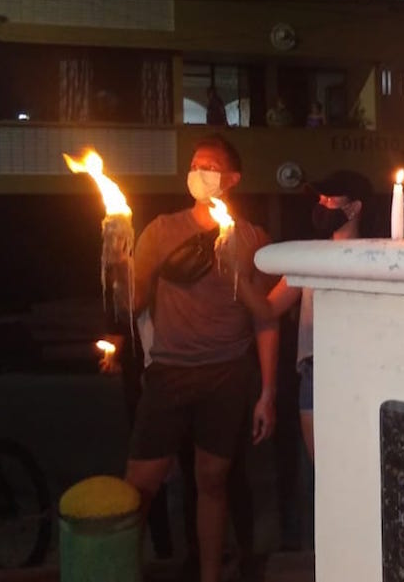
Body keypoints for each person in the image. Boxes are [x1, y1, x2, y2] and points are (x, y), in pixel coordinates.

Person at [121, 135, 278, 582]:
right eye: (194, 164)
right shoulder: (161, 230)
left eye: (210, 165)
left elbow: (266, 321)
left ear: (232, 179)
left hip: (226, 375)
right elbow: (130, 304)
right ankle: (117, 568)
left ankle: (210, 576)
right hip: (169, 374)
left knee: (213, 481)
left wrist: (268, 393)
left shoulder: (252, 239)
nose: (199, 172)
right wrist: (115, 266)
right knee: (141, 485)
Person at [231, 170, 375, 465]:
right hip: (314, 370)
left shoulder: (375, 259)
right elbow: (267, 309)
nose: (321, 202)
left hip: (358, 370)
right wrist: (236, 275)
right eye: (320, 197)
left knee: (355, 466)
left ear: (354, 207)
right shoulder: (309, 258)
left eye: (330, 197)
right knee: (322, 470)